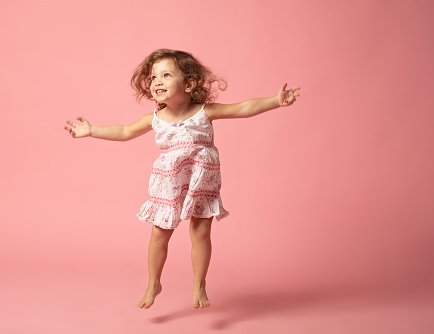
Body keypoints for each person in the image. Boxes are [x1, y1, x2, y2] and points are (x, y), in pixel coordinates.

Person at [64, 49, 300, 309]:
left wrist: (276, 101)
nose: (157, 82)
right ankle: (154, 282)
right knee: (159, 233)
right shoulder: (154, 119)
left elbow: (242, 108)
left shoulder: (203, 112)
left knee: (200, 231)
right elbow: (124, 131)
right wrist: (92, 130)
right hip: (169, 181)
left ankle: (199, 283)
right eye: (153, 77)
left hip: (201, 179)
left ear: (188, 84)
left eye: (166, 75)